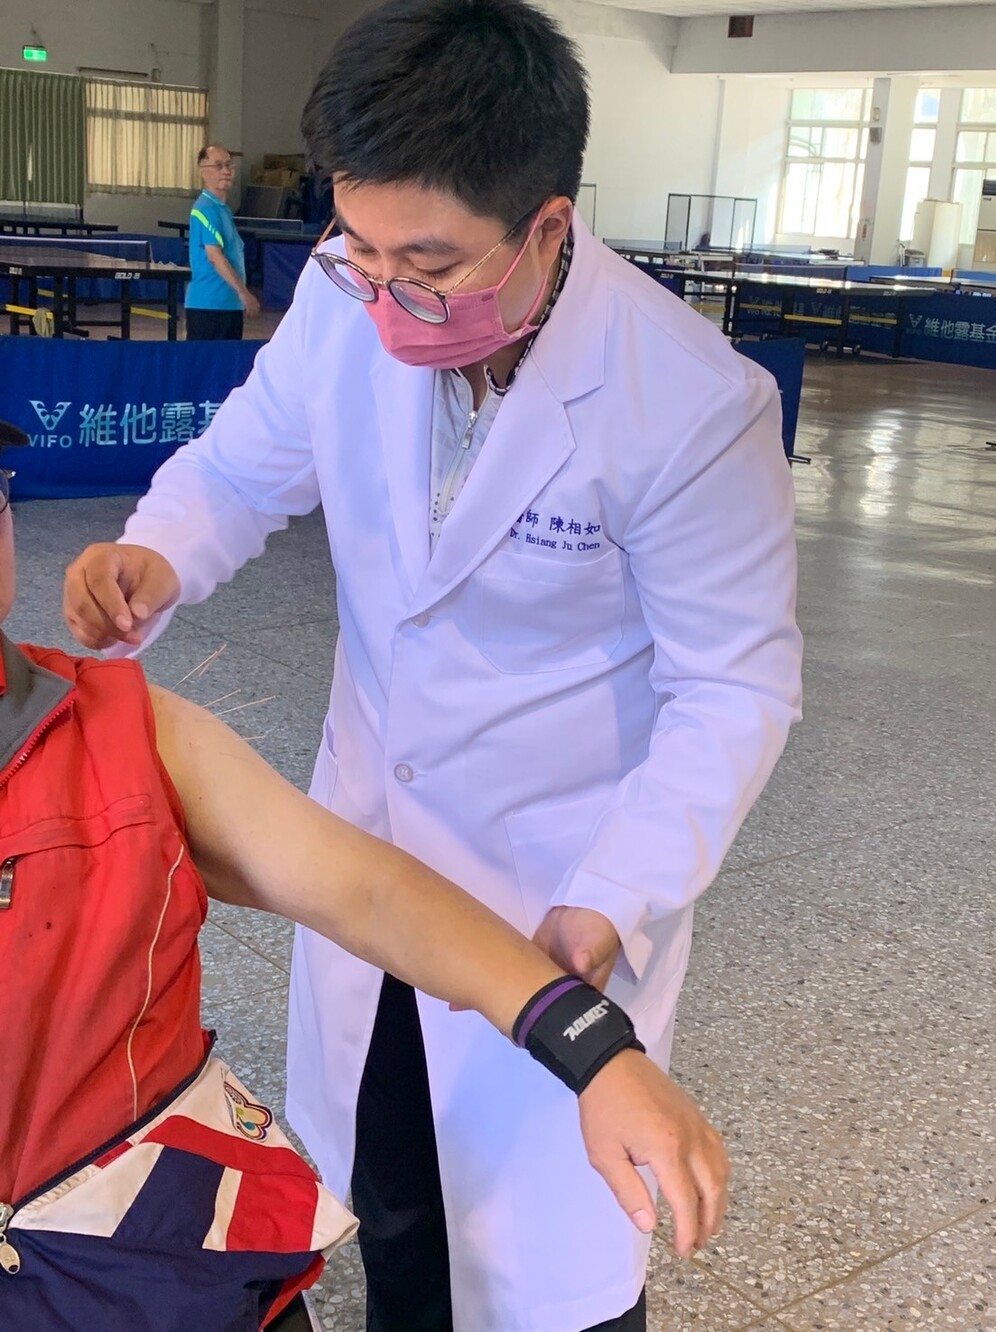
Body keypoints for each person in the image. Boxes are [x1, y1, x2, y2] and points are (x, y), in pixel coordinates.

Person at [62, 0, 803, 1327]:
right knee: (393, 1201)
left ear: (548, 226)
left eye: (432, 264)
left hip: (550, 892)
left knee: (543, 1270)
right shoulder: (347, 298)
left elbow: (733, 689)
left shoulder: (688, 401)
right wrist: (157, 553)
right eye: (360, 245)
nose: (386, 292)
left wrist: (615, 894)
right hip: (365, 868)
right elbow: (244, 465)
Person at [1, 417, 726, 1330]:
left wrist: (595, 1049)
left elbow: (368, 890)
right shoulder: (339, 338)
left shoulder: (120, 731)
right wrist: (167, 543)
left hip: (151, 1262)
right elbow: (238, 464)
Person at [185, 145, 261, 340]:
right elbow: (215, 257)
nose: (226, 171)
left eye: (228, 165)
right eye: (218, 166)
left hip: (229, 306)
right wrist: (243, 293)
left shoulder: (223, 210)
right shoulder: (205, 209)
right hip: (209, 307)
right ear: (203, 171)